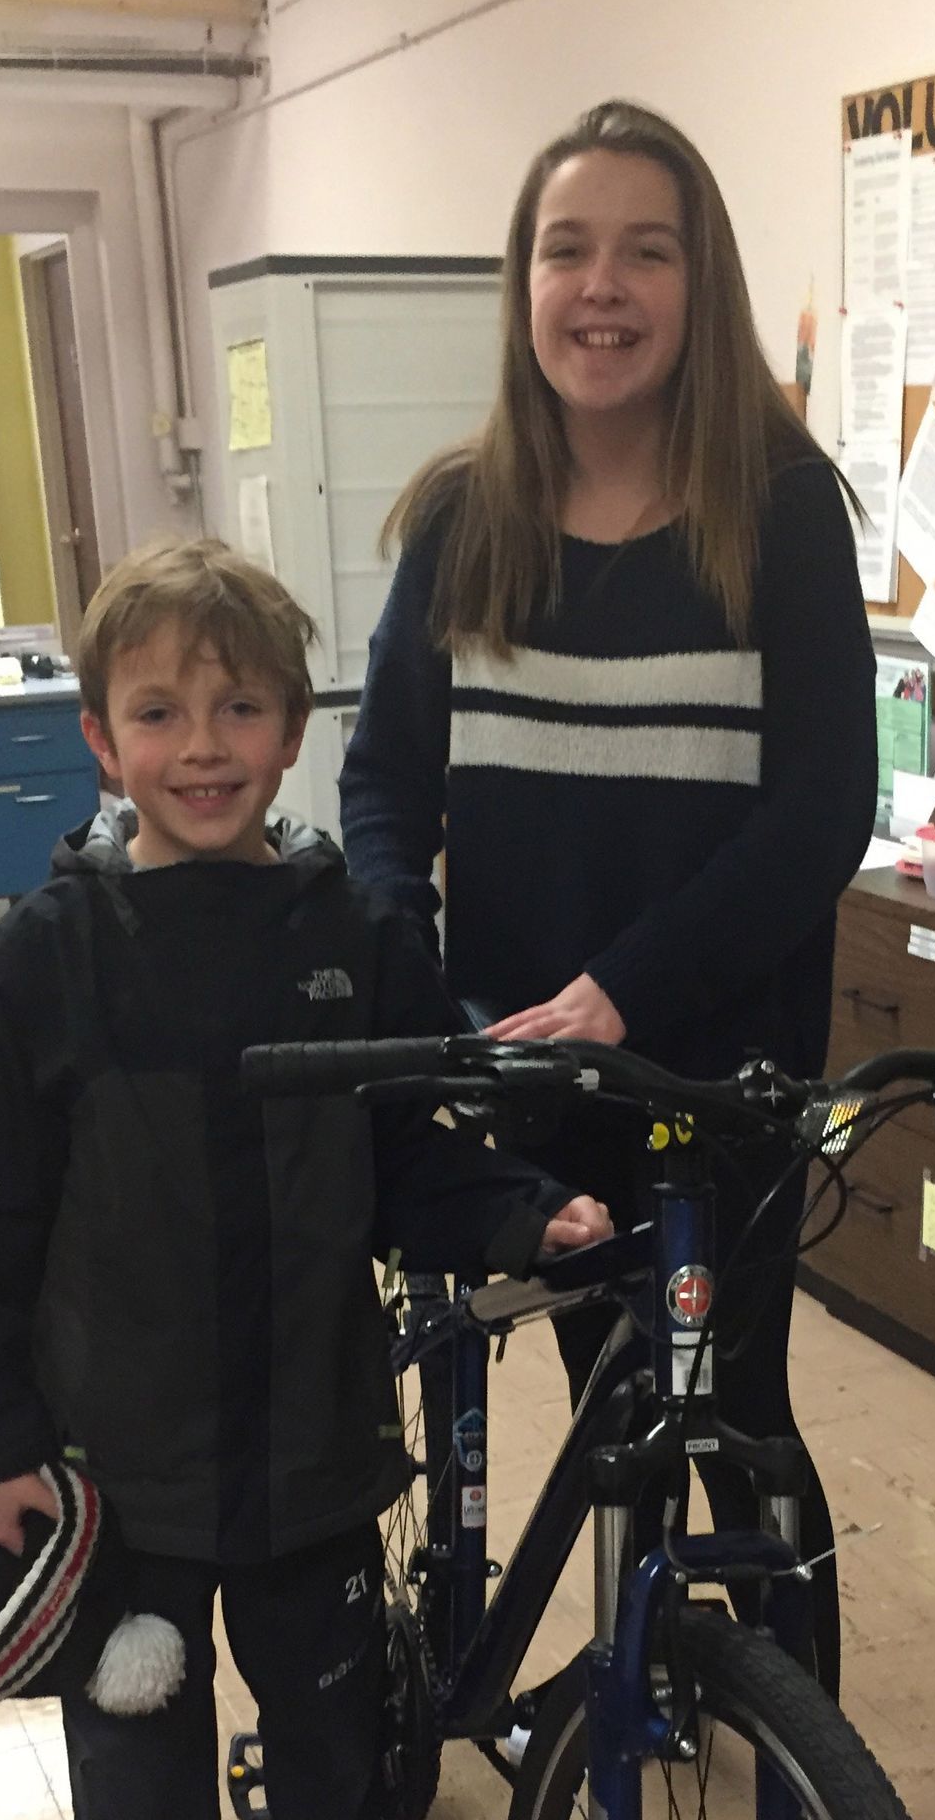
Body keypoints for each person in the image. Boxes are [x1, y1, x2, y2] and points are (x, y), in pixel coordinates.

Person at [0, 539, 608, 1820]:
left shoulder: (353, 941)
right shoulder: (45, 959)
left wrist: (528, 1214)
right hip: (116, 1472)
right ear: (98, 737)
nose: (200, 746)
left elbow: (407, 1157)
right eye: (157, 712)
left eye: (237, 708)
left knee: (333, 1739)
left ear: (295, 729)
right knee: (134, 1749)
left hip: (314, 1453)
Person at [340, 99, 878, 1705]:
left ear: (698, 285)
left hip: (712, 1082)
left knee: (736, 1421)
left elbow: (818, 816)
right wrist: (411, 979)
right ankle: (650, 1676)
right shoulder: (461, 521)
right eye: (568, 248)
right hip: (518, 1070)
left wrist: (629, 987)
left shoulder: (781, 515)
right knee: (605, 1406)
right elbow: (383, 788)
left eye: (648, 250)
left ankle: (799, 1800)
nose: (604, 285)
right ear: (522, 285)